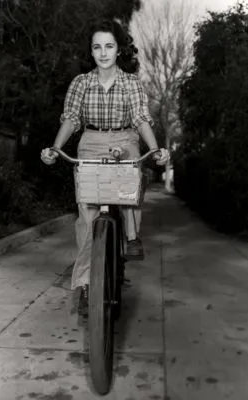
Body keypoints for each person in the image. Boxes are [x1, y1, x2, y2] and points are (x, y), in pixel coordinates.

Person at [41, 18, 168, 311]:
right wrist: (55, 148)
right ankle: (86, 284)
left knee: (129, 182)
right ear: (91, 51)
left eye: (109, 46)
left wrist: (155, 149)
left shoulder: (131, 83)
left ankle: (131, 234)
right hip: (90, 142)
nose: (103, 52)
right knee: (86, 216)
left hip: (125, 140)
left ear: (118, 49)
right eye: (97, 46)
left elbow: (140, 118)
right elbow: (71, 119)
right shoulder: (81, 83)